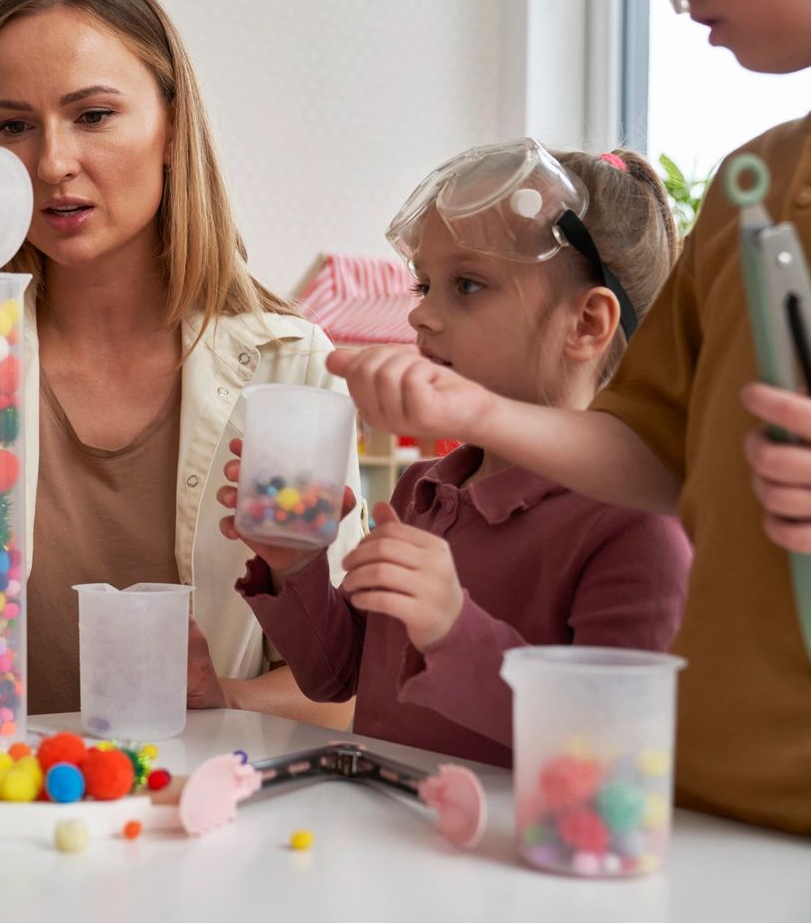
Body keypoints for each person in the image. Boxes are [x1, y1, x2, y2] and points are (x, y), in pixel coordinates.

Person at [329, 0, 811, 832]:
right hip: (715, 797)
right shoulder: (754, 183)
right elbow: (656, 450)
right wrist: (472, 408)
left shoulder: (618, 541)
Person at [0, 0, 365, 725]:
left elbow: (348, 688)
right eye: (15, 126)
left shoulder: (291, 367)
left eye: (93, 116)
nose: (52, 163)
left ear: (172, 128)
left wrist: (221, 699)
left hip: (193, 810)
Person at [221, 142, 691, 766]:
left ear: (586, 324)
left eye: (467, 285)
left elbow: (611, 750)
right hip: (394, 838)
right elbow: (342, 678)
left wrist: (451, 627)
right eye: (425, 284)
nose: (420, 314)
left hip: (509, 859)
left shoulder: (635, 524)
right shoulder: (425, 490)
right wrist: (295, 567)